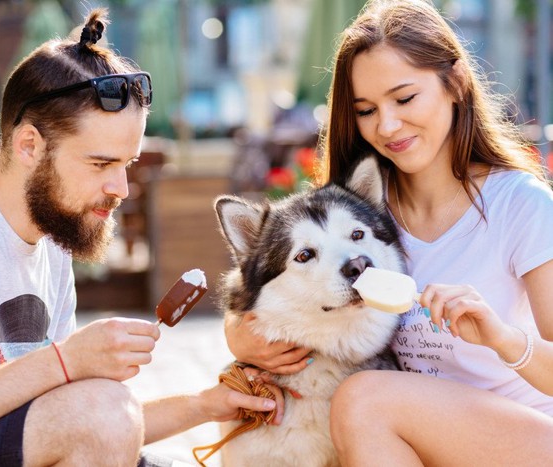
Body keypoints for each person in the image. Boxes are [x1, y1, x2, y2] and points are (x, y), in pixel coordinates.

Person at [0, 9, 277, 466]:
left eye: (126, 165)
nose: (122, 189)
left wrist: (205, 404)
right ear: (30, 145)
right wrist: (63, 361)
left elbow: (81, 426)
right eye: (100, 164)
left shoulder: (52, 245)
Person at [225, 0, 553, 464]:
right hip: (412, 442)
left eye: (404, 98)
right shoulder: (357, 216)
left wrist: (500, 336)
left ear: (456, 84)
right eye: (365, 109)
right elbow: (265, 284)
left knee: (364, 397)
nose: (388, 125)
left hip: (525, 441)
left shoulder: (521, 204)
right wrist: (239, 335)